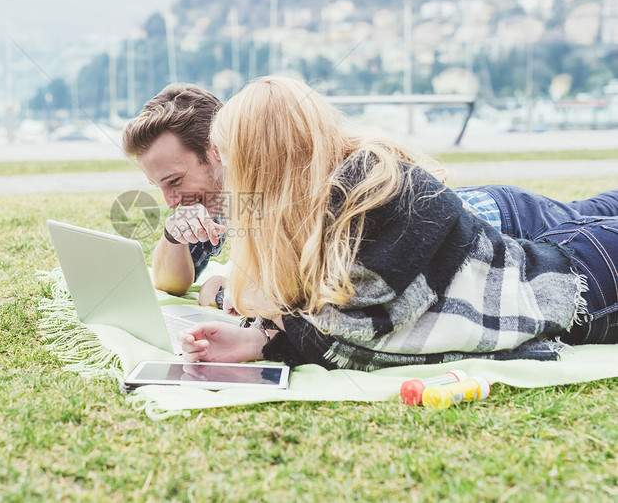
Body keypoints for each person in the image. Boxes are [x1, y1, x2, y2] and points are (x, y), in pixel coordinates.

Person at [179, 76, 618, 371]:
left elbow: (359, 325)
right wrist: (261, 338)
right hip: (568, 263)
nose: (226, 171)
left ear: (263, 162)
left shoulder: (379, 188)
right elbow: (325, 314)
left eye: (230, 158)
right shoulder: (326, 206)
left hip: (584, 283)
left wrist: (267, 332)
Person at [122, 83, 618, 307]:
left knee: (598, 215)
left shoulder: (285, 180)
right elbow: (170, 282)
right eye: (159, 186)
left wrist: (231, 290)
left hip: (505, 221)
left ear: (216, 153)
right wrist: (173, 231)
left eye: (174, 181)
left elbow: (314, 291)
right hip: (483, 236)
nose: (171, 197)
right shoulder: (225, 200)